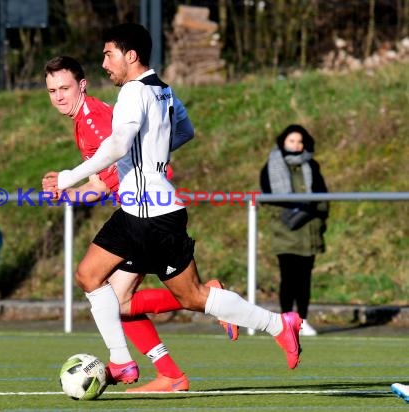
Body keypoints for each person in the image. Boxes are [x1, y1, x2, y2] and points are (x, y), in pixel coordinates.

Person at [42, 23, 303, 388]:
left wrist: (69, 178)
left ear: (130, 56)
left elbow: (117, 147)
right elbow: (185, 132)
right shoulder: (162, 89)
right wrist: (151, 158)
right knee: (146, 292)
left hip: (147, 213)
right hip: (151, 208)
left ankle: (125, 363)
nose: (104, 64)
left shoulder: (132, 93)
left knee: (112, 282)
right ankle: (275, 325)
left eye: (108, 55)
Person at [42, 55, 237, 393]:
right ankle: (170, 373)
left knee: (96, 283)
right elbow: (102, 184)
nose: (59, 96)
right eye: (52, 90)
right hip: (140, 212)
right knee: (119, 302)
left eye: (65, 88)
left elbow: (117, 163)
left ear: (82, 85)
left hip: (145, 216)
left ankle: (207, 302)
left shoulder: (94, 120)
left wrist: (69, 182)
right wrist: (67, 194)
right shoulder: (86, 120)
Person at [259, 124, 329, 336]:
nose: (296, 145)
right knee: (288, 278)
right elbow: (268, 202)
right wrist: (288, 217)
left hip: (309, 231)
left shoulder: (312, 166)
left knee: (305, 279)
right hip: (285, 232)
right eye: (292, 141)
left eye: (300, 141)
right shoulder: (271, 166)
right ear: (283, 142)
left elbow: (322, 197)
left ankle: (303, 320)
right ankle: (287, 320)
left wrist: (317, 218)